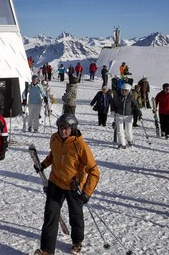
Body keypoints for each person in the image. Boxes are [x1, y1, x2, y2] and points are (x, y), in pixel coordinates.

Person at [33, 114, 100, 255]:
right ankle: (47, 250)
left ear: (73, 129)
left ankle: (77, 241)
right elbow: (54, 154)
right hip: (55, 182)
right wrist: (44, 164)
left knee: (75, 216)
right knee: (50, 216)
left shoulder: (80, 145)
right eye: (60, 128)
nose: (63, 131)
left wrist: (87, 192)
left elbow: (94, 171)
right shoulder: (55, 138)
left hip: (73, 186)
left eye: (66, 129)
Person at [111, 83, 142, 148]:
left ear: (129, 91)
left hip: (128, 115)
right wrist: (112, 110)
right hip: (119, 114)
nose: (124, 92)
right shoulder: (118, 96)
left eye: (126, 90)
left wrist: (139, 113)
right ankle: (122, 143)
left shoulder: (131, 97)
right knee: (120, 130)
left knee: (128, 129)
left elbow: (136, 106)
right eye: (123, 90)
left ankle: (129, 140)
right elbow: (113, 103)